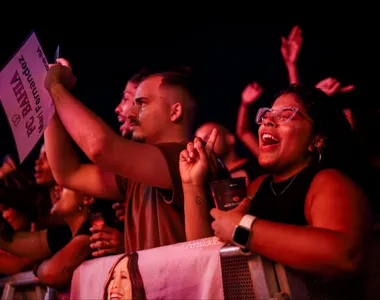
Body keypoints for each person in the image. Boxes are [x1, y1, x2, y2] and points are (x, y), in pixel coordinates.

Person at [180, 84, 371, 298]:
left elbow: (344, 256)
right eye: (267, 116)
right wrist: (192, 184)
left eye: (287, 116)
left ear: (316, 139)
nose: (267, 121)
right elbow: (207, 258)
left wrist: (243, 228)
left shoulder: (329, 182)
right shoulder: (258, 186)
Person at [43, 60, 229, 252]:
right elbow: (68, 173)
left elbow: (100, 147)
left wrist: (55, 86)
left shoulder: (185, 156)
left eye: (141, 104)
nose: (130, 113)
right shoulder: (138, 173)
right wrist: (48, 101)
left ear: (175, 112)